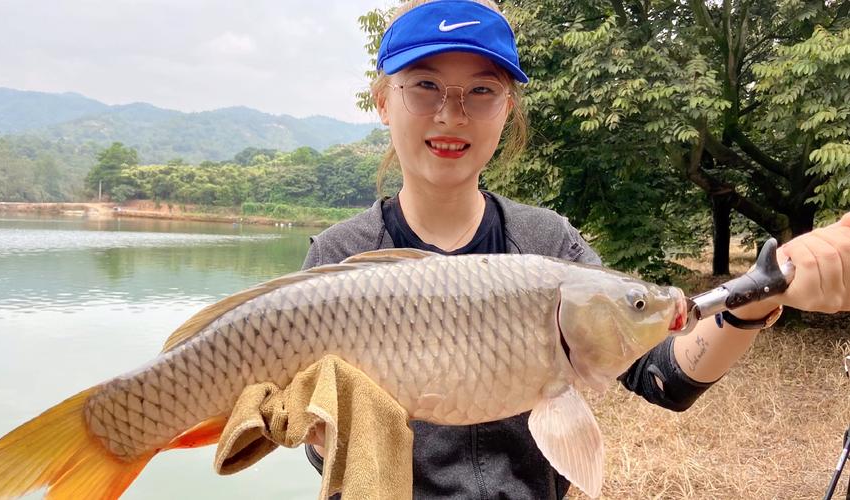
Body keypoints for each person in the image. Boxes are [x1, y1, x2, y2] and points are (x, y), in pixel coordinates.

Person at [300, 1, 850, 498]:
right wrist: (321, 428)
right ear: (382, 102)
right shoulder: (340, 256)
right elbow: (314, 444)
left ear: (508, 110)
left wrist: (756, 293)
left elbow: (664, 378)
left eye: (482, 90)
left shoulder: (547, 244)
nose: (452, 113)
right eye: (424, 85)